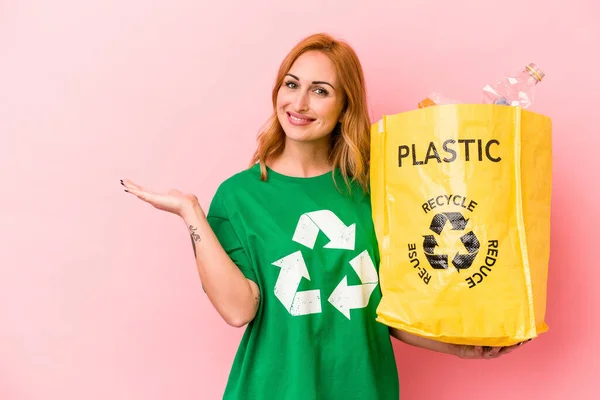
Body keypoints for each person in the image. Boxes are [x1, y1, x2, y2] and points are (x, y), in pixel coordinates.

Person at [121, 33, 526, 399]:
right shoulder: (238, 197)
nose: (298, 104)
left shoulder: (379, 189)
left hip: (366, 388)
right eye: (291, 85)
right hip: (271, 390)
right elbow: (238, 310)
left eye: (320, 91)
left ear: (345, 103)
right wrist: (191, 212)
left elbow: (387, 311)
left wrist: (461, 348)